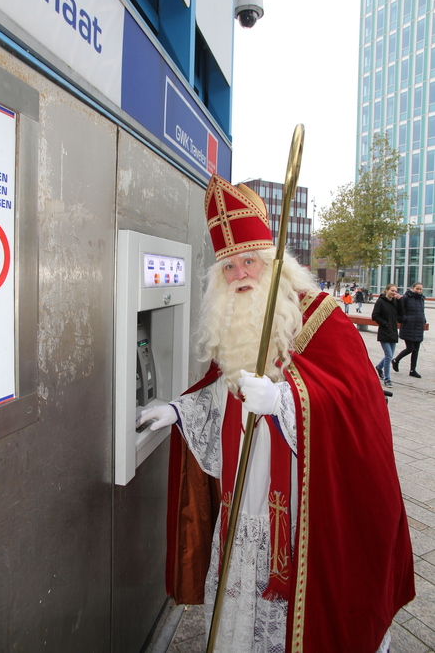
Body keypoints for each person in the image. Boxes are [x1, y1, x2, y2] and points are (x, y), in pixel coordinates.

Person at [138, 176, 414, 653]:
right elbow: (220, 393)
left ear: (274, 264)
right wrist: (178, 411)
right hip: (243, 498)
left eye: (250, 261)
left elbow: (357, 404)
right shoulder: (232, 322)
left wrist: (286, 401)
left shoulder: (320, 315)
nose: (240, 274)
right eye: (229, 266)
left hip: (302, 511)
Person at [372, 284, 404, 388]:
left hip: (393, 331)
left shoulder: (395, 301)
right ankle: (387, 378)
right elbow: (375, 315)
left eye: (395, 291)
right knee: (389, 355)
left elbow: (401, 314)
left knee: (388, 356)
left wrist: (400, 301)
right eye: (392, 290)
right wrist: (384, 323)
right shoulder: (381, 301)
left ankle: (379, 367)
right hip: (384, 332)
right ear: (387, 290)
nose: (394, 293)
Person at [392, 282, 426, 378]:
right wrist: (404, 319)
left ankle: (413, 370)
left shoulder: (421, 299)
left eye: (420, 289)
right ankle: (396, 360)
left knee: (416, 350)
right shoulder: (406, 298)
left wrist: (423, 320)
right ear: (412, 288)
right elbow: (400, 310)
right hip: (409, 326)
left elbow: (422, 311)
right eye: (417, 289)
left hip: (419, 326)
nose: (419, 291)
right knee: (410, 348)